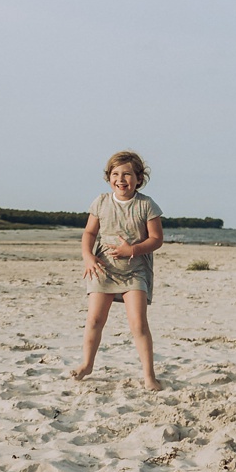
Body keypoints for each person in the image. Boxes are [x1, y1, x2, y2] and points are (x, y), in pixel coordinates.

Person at [72, 150, 164, 391]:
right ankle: (87, 364)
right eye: (115, 174)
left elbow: (156, 239)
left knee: (138, 324)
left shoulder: (146, 204)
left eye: (127, 174)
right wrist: (88, 256)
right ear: (108, 177)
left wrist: (131, 250)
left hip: (135, 271)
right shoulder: (101, 201)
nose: (121, 179)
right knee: (94, 319)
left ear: (138, 178)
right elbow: (89, 233)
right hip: (103, 268)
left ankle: (149, 376)